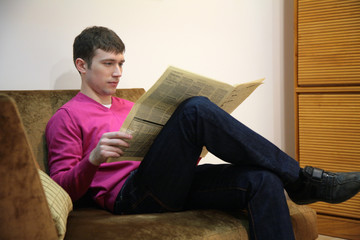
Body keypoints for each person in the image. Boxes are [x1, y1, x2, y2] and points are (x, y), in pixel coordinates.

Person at [46, 26, 360, 240]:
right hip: (131, 196)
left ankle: (293, 179)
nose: (117, 72)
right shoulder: (67, 117)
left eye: (122, 63)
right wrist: (94, 158)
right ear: (81, 65)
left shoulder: (132, 105)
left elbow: (163, 155)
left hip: (169, 183)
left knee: (263, 180)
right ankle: (305, 181)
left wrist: (192, 146)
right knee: (195, 108)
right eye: (108, 63)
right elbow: (62, 188)